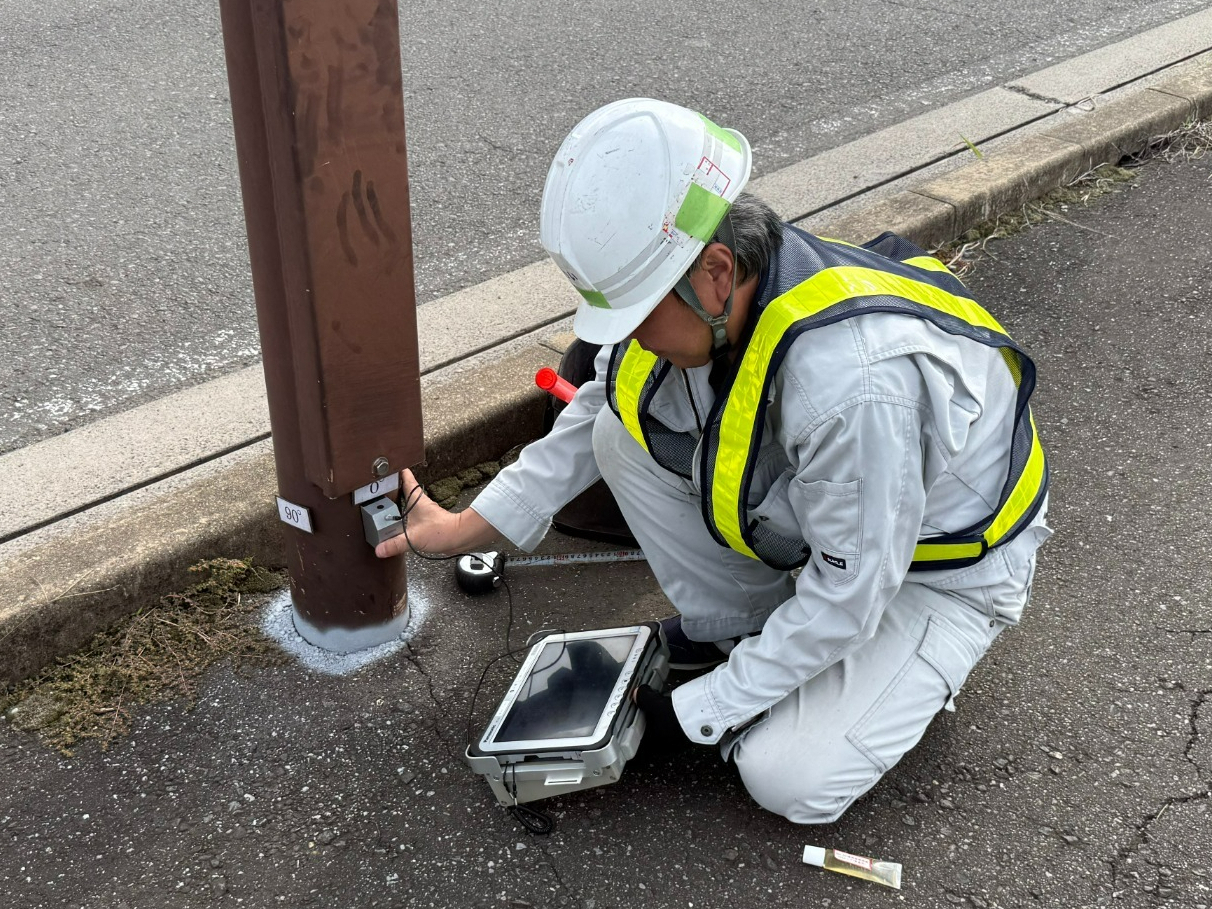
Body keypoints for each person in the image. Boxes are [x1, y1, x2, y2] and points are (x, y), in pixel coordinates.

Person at [376, 98, 1051, 825]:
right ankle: (748, 633)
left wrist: (690, 714)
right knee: (618, 434)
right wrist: (459, 528)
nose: (629, 337)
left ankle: (913, 670)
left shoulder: (849, 387)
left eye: (638, 313)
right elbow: (601, 406)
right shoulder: (727, 303)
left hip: (942, 576)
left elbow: (850, 599)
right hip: (857, 533)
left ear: (716, 271)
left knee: (786, 778)